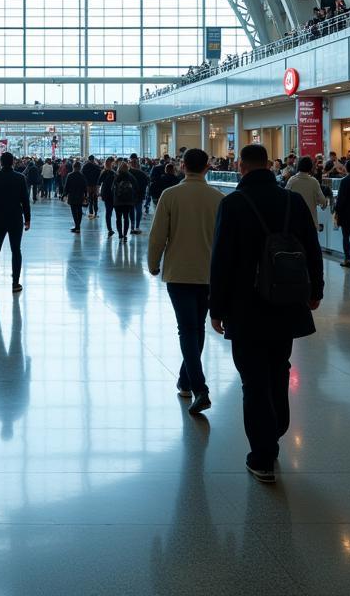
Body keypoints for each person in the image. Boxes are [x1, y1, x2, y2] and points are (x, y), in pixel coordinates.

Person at [209, 144, 324, 483]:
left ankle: (262, 455)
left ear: (241, 166)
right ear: (270, 166)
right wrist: (315, 290)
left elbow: (221, 261)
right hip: (286, 301)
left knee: (253, 380)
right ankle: (275, 430)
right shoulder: (292, 201)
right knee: (278, 369)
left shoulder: (232, 205)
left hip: (245, 307)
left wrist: (216, 308)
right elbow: (311, 249)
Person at [147, 148, 224, 414]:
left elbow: (158, 235)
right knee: (197, 327)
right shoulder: (218, 198)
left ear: (182, 166)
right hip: (208, 273)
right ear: (207, 167)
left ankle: (200, 387)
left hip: (179, 272)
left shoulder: (170, 196)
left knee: (187, 328)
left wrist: (153, 263)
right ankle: (185, 380)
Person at [0, 150, 31, 293]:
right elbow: (25, 201)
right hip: (16, 218)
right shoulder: (20, 178)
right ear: (13, 162)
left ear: (0, 162)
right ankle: (15, 283)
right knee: (16, 250)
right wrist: (27, 219)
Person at [285, 156, 329, 225]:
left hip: (295, 220)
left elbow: (285, 198)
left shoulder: (292, 181)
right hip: (310, 221)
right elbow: (322, 201)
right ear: (310, 167)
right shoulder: (314, 182)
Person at [111, 162, 137, 241]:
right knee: (126, 218)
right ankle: (125, 234)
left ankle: (120, 234)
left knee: (118, 218)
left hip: (118, 201)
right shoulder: (131, 176)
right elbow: (136, 186)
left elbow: (112, 188)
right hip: (128, 201)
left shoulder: (117, 176)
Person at [64, 160, 87, 232]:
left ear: (73, 167)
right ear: (80, 168)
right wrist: (85, 195)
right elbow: (85, 186)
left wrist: (64, 194)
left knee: (74, 211)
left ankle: (77, 226)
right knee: (79, 210)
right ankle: (78, 226)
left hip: (72, 195)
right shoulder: (82, 176)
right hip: (80, 195)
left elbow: (67, 186)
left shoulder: (70, 175)